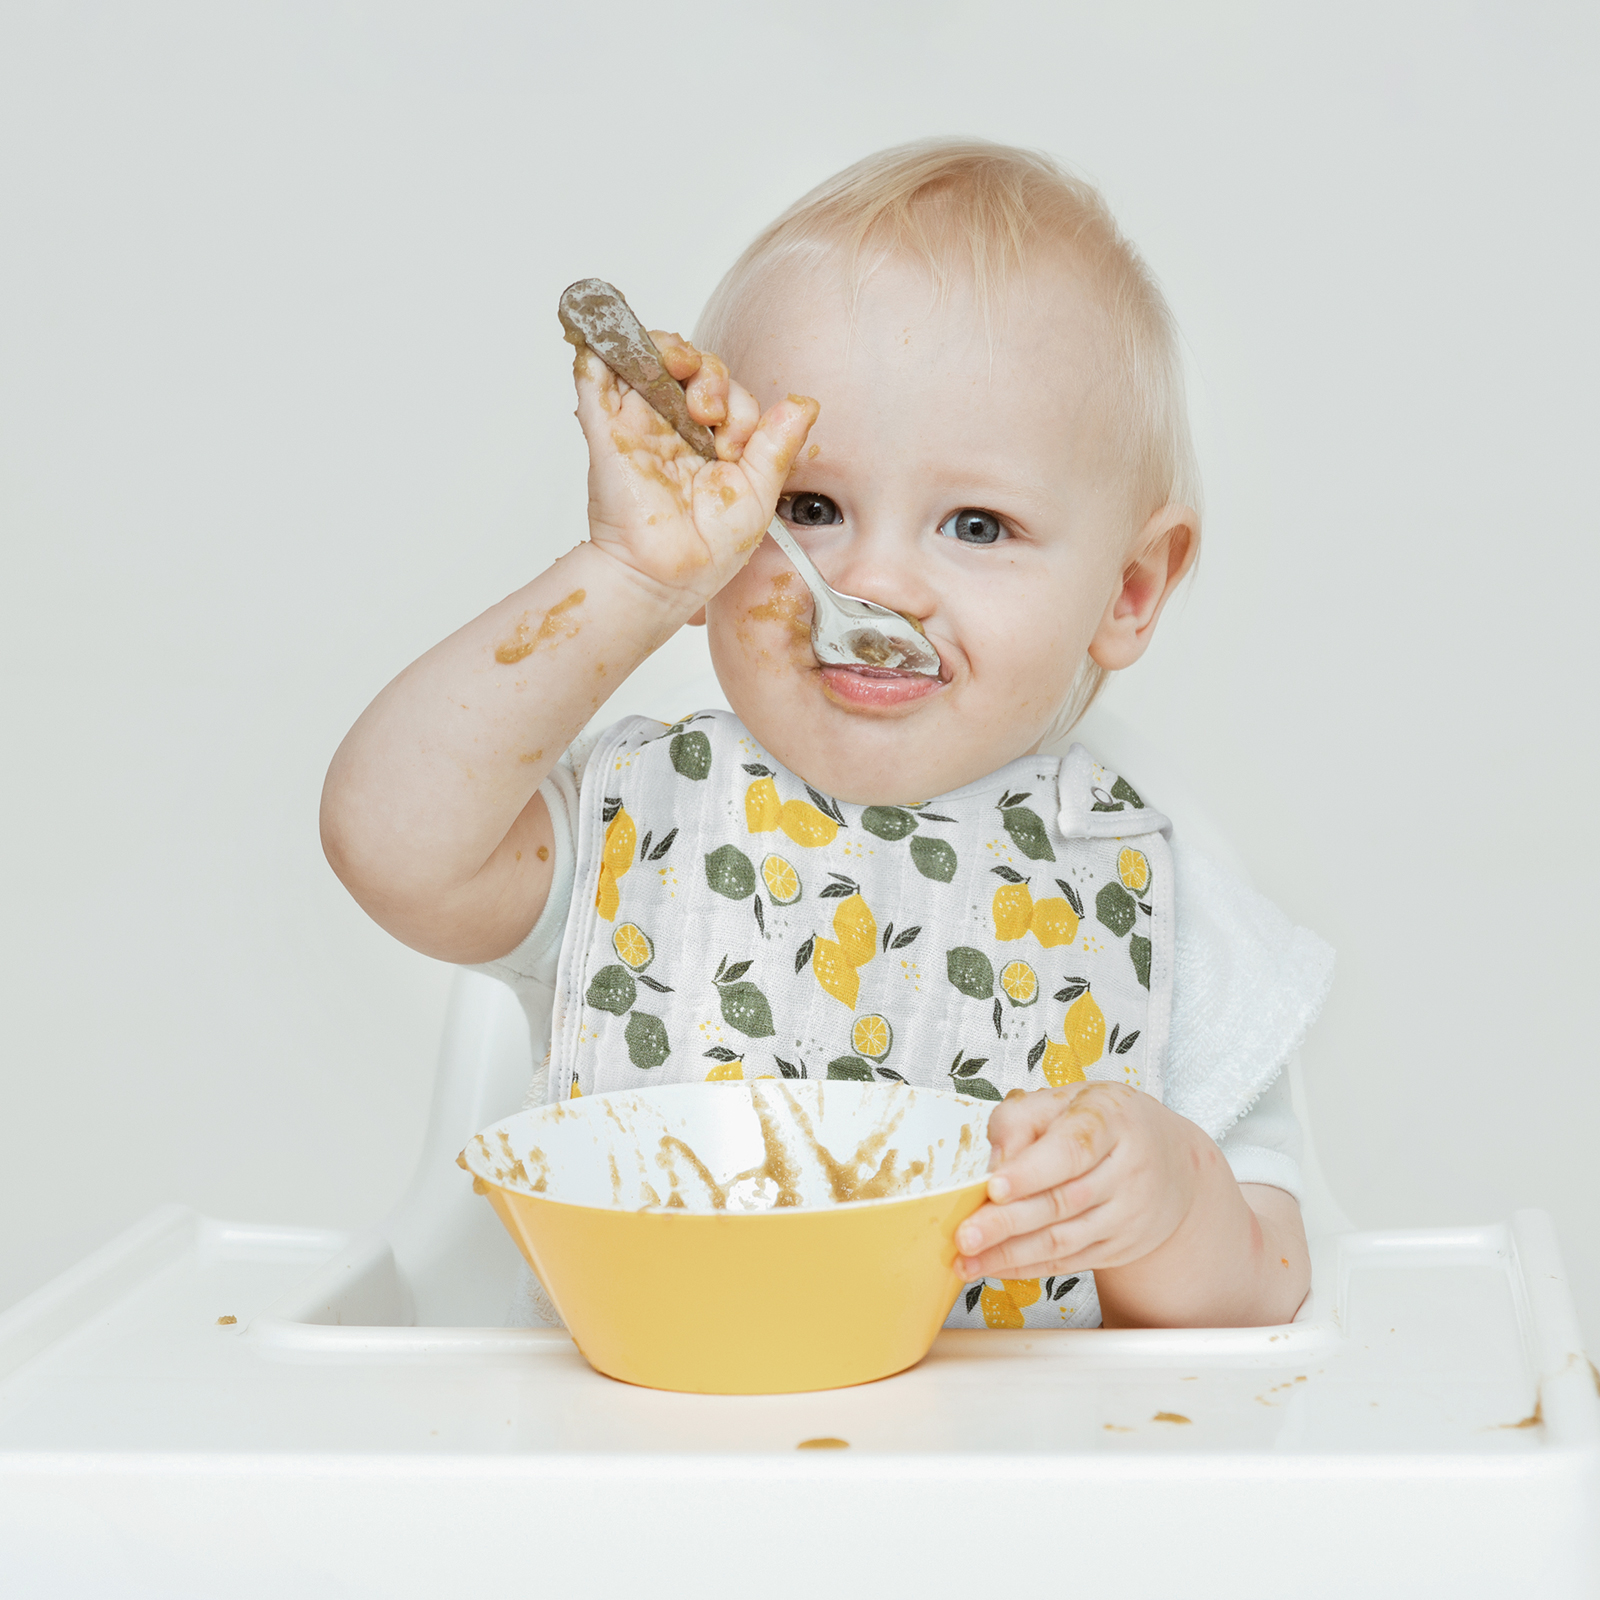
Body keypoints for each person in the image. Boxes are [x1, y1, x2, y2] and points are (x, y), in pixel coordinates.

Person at [321, 139, 1332, 1331]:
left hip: (1018, 1489)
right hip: (646, 1467)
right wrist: (631, 576)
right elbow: (388, 839)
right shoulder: (643, 826)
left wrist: (1165, 1205)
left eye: (976, 522)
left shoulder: (1153, 898)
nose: (878, 577)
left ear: (1127, 589)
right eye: (807, 507)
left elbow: (1267, 1286)